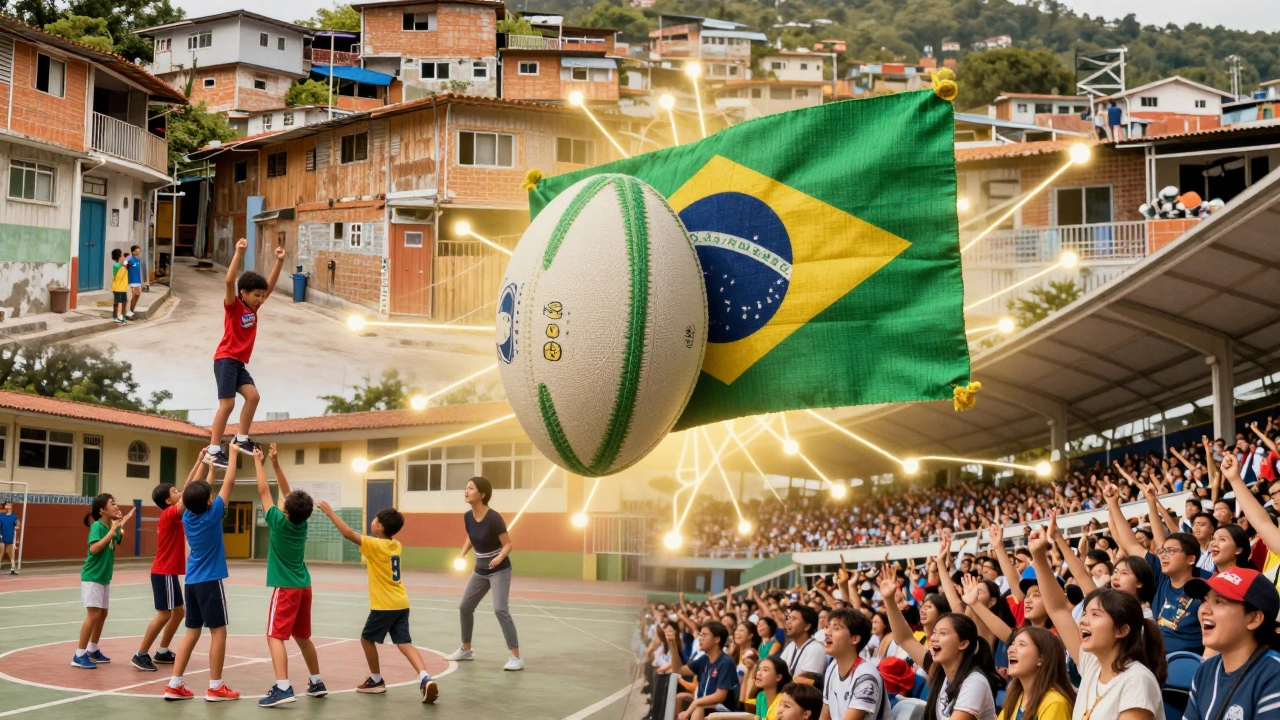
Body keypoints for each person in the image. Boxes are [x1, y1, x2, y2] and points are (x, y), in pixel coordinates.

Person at [1027, 529, 1166, 720]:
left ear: (1121, 630)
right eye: (1084, 613)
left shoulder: (1137, 681)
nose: (1083, 620)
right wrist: (1039, 557)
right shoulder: (1093, 665)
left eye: (1095, 614)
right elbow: (1058, 610)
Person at [317, 500, 437, 702]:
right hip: (401, 603)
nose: (372, 521)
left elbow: (348, 533)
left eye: (375, 519)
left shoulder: (375, 544)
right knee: (404, 642)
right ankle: (425, 677)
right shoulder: (395, 545)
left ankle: (376, 680)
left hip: (384, 606)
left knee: (366, 639)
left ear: (379, 526)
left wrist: (330, 513)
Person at [204, 237, 285, 469]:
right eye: (256, 295)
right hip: (225, 359)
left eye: (262, 296)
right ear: (244, 294)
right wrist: (238, 252)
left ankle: (241, 439)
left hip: (237, 363)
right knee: (227, 404)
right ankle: (213, 450)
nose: (260, 300)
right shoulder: (234, 306)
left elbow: (270, 284)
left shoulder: (253, 307)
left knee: (253, 396)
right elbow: (230, 281)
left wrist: (279, 262)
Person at [255, 445, 325, 707]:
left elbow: (264, 491)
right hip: (304, 587)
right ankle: (316, 681)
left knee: (274, 636)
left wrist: (258, 462)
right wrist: (276, 463)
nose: (283, 500)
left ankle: (283, 687)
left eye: (284, 502)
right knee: (303, 636)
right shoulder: (301, 522)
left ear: (285, 510)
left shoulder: (278, 521)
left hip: (286, 588)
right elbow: (288, 494)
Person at [164, 460, 239, 701]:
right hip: (210, 581)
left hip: (192, 581)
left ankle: (174, 684)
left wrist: (211, 468)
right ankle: (216, 686)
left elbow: (196, 493)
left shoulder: (187, 517)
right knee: (218, 633)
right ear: (209, 501)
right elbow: (230, 482)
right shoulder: (213, 514)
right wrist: (235, 452)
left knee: (191, 632)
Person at [133, 452, 210, 672]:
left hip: (168, 572)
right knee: (165, 613)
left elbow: (188, 490)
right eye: (175, 491)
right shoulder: (168, 514)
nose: (181, 492)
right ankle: (140, 654)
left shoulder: (175, 514)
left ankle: (163, 651)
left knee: (178, 612)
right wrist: (203, 464)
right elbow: (190, 492)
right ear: (168, 501)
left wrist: (198, 461)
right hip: (163, 571)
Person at [1106, 482, 1204, 654]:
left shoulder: (1207, 583)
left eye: (1172, 551)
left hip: (1189, 663)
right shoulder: (1162, 579)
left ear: (1190, 559)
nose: (1164, 555)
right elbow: (1131, 544)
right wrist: (1113, 504)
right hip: (1158, 660)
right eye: (1163, 552)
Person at [1182, 567, 1280, 720]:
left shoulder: (1274, 674)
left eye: (1219, 601)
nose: (1204, 610)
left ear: (1254, 619)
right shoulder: (1205, 671)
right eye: (1205, 600)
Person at [446, 476, 522, 671]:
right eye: (466, 488)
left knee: (500, 609)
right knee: (465, 607)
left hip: (499, 570)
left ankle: (516, 657)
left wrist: (498, 558)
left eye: (470, 488)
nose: (466, 491)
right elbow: (471, 537)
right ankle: (466, 649)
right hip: (480, 570)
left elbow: (508, 544)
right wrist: (462, 554)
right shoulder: (468, 516)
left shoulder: (494, 517)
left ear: (482, 494)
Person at [73, 494, 134, 668]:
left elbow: (119, 539)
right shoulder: (98, 527)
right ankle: (79, 654)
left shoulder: (110, 527)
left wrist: (118, 529)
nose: (116, 506)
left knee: (102, 614)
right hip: (92, 577)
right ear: (102, 510)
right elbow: (94, 548)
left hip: (104, 577)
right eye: (112, 504)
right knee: (93, 615)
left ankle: (93, 649)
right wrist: (112, 531)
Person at [820, 608, 889, 720]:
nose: (827, 632)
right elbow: (824, 717)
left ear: (855, 639)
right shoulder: (832, 668)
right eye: (828, 627)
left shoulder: (866, 677)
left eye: (836, 628)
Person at [996, 627, 1075, 720]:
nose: (1010, 650)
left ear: (1041, 658)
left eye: (1022, 644)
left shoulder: (1055, 702)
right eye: (1012, 644)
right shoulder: (1016, 697)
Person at [673, 622, 740, 720]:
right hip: (703, 704)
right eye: (700, 634)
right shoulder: (704, 659)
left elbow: (719, 696)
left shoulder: (726, 663)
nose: (700, 638)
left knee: (698, 708)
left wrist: (694, 704)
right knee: (681, 698)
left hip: (722, 709)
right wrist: (672, 644)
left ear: (717, 639)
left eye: (704, 635)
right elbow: (679, 669)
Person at [778, 605, 826, 682]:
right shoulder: (791, 646)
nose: (788, 622)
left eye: (794, 619)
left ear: (807, 626)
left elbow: (807, 685)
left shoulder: (815, 649)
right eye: (788, 618)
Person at [0, 501, 18, 574]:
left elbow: (16, 525)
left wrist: (16, 537)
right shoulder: (1, 516)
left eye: (8, 505)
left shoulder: (14, 517)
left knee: (10, 553)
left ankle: (13, 568)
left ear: (11, 507)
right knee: (1, 551)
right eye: (6, 505)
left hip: (10, 536)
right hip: (1, 536)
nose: (6, 506)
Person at [110, 248, 128, 324]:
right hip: (119, 287)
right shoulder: (120, 265)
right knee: (120, 302)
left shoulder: (117, 265)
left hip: (120, 287)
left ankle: (119, 315)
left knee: (120, 302)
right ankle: (119, 316)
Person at [125, 244, 143, 319]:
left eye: (139, 250)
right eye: (137, 250)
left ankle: (131, 311)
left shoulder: (137, 259)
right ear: (133, 251)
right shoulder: (129, 259)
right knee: (133, 295)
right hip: (132, 280)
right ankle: (129, 312)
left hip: (137, 279)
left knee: (137, 295)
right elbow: (124, 265)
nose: (138, 252)